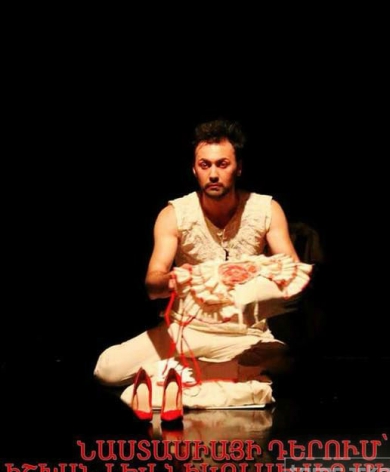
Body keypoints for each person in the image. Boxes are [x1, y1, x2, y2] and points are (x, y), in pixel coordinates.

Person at [93, 119, 307, 408]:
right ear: (195, 170)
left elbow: (293, 276)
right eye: (205, 165)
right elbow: (153, 284)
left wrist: (255, 279)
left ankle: (178, 375)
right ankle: (210, 375)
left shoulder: (266, 209)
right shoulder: (174, 214)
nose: (214, 174)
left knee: (288, 364)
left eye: (222, 164)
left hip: (244, 334)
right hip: (187, 330)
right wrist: (172, 280)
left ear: (238, 167)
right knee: (107, 370)